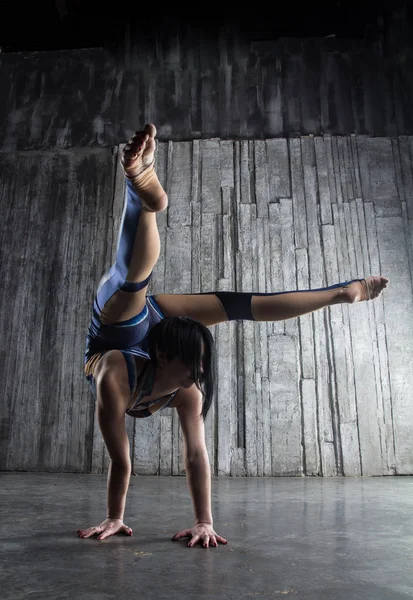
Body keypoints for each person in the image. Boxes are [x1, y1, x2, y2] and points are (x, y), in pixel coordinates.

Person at [77, 124, 389, 548]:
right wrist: (115, 516)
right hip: (115, 336)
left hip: (159, 326)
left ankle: (341, 293)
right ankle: (143, 190)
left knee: (243, 306)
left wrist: (204, 521)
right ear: (169, 357)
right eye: (194, 361)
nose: (201, 369)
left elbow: (195, 455)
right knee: (131, 280)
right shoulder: (115, 373)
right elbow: (120, 458)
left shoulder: (188, 390)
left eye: (202, 361)